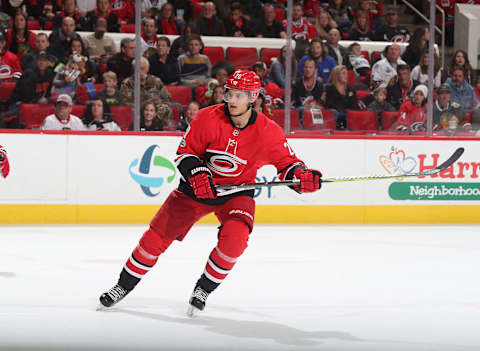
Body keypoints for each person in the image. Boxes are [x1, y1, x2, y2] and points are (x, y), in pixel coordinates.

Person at [98, 69, 323, 316]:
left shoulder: (268, 131)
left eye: (240, 96)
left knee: (235, 242)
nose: (233, 101)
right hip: (196, 190)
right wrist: (197, 173)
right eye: (230, 94)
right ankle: (122, 286)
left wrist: (300, 176)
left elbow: (288, 164)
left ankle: (203, 289)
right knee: (154, 239)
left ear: (253, 97)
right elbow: (185, 154)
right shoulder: (207, 118)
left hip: (237, 193)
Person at [121, 57, 172, 125]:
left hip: (157, 113)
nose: (140, 72)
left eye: (142, 69)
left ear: (147, 69)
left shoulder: (156, 81)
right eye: (137, 69)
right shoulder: (127, 83)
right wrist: (146, 110)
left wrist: (154, 112)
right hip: (138, 113)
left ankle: (164, 131)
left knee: (167, 107)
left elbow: (167, 98)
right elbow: (124, 102)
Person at [292, 58, 325, 124]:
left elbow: (323, 102)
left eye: (310, 67)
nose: (308, 70)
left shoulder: (320, 85)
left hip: (316, 111)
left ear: (315, 70)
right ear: (303, 69)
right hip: (300, 111)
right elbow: (292, 101)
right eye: (306, 67)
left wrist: (315, 104)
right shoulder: (296, 83)